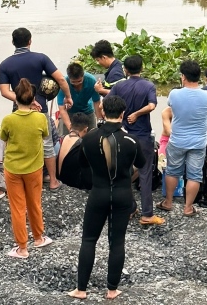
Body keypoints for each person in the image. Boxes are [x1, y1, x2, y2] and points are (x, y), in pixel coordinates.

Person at [68, 96, 145, 300]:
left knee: (89, 239)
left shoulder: (89, 138)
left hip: (99, 192)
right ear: (122, 114)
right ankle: (112, 290)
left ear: (102, 113)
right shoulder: (131, 140)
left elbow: (82, 163)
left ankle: (81, 290)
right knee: (117, 242)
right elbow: (142, 163)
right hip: (122, 194)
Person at [0, 27, 72, 191]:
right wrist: (68, 97)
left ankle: (24, 178)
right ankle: (52, 181)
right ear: (30, 41)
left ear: (13, 42)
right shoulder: (40, 58)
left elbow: (4, 92)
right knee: (47, 144)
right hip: (40, 109)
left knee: (20, 143)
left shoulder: (5, 64)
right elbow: (60, 79)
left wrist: (25, 101)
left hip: (18, 110)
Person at [1, 78, 53, 258]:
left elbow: (4, 139)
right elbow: (45, 136)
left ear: (16, 98)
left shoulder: (8, 120)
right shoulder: (40, 118)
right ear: (33, 99)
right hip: (34, 168)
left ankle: (22, 248)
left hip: (13, 169)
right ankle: (38, 238)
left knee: (17, 207)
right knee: (34, 203)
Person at [107, 55, 162, 225]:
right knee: (145, 173)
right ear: (142, 68)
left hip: (123, 134)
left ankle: (129, 208)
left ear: (125, 70)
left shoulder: (119, 86)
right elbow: (152, 106)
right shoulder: (148, 86)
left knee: (123, 173)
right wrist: (138, 114)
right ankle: (147, 214)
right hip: (142, 135)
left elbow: (106, 103)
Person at [156, 60, 207, 217]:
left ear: (183, 77)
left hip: (177, 140)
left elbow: (170, 108)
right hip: (199, 142)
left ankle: (168, 202)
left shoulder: (175, 94)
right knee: (195, 175)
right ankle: (188, 208)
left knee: (173, 171)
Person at [57, 62, 102, 136]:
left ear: (83, 76)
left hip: (87, 111)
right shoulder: (64, 84)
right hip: (69, 112)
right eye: (73, 82)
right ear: (69, 78)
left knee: (92, 135)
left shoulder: (91, 81)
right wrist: (71, 129)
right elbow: (62, 109)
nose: (77, 84)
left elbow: (96, 102)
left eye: (79, 81)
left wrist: (100, 120)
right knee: (67, 137)